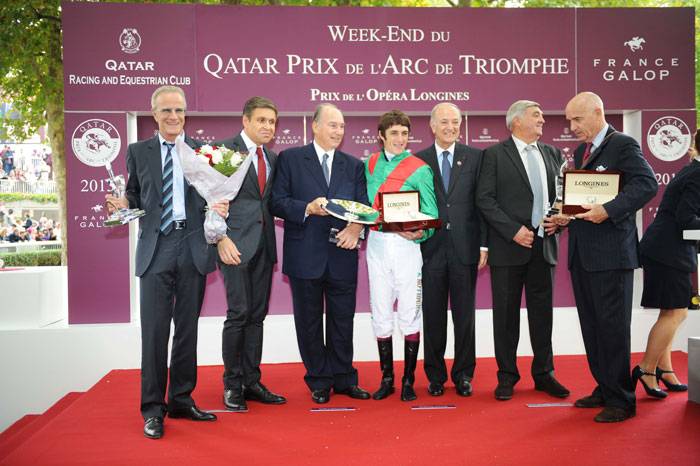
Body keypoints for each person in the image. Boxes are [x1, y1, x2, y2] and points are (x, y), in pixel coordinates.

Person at [106, 85, 229, 439]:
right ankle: (152, 409)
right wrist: (120, 203)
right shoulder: (138, 151)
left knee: (187, 330)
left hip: (192, 246)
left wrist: (220, 206)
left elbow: (217, 194)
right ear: (154, 114)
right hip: (156, 247)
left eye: (178, 110)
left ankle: (181, 400)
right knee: (155, 333)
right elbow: (133, 193)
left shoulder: (203, 153)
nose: (173, 117)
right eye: (166, 111)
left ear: (185, 113)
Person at [563, 91, 657, 422]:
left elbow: (647, 184)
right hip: (583, 254)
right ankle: (604, 387)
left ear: (598, 112)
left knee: (613, 327)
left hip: (611, 255)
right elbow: (583, 198)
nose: (572, 126)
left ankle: (622, 399)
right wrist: (567, 214)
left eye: (577, 119)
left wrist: (609, 209)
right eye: (569, 120)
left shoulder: (623, 144)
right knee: (592, 326)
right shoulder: (581, 150)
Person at [270, 103, 370, 404]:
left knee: (343, 320)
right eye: (332, 125)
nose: (338, 131)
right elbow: (276, 201)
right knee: (309, 321)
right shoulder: (290, 159)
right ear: (315, 126)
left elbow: (364, 206)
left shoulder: (353, 165)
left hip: (343, 253)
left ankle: (343, 378)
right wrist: (306, 209)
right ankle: (319, 380)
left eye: (341, 126)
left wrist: (355, 229)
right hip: (305, 255)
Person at [476, 100, 570, 402]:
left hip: (545, 247)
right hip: (508, 248)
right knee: (505, 317)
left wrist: (561, 220)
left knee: (542, 316)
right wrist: (513, 231)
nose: (543, 118)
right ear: (516, 121)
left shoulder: (554, 153)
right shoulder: (493, 155)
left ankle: (545, 374)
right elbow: (485, 200)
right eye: (536, 115)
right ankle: (507, 376)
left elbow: (565, 197)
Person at [214, 96, 286, 411]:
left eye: (272, 122)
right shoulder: (223, 151)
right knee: (239, 314)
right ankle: (232, 385)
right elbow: (207, 198)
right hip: (233, 245)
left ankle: (251, 381)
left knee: (257, 316)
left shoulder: (271, 157)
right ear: (245, 121)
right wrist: (219, 238)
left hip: (264, 246)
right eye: (261, 120)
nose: (268, 126)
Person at [365, 110, 438, 402]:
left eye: (404, 134)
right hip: (377, 245)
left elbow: (431, 213)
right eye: (393, 133)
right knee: (381, 313)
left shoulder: (420, 168)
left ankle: (408, 380)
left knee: (410, 314)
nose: (399, 139)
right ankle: (387, 379)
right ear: (381, 135)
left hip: (407, 248)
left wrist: (421, 233)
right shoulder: (369, 164)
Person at [415, 103, 487, 398]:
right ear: (432, 126)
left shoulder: (476, 157)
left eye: (455, 122)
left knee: (464, 315)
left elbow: (483, 204)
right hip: (430, 248)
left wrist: (484, 243)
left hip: (465, 248)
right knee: (432, 315)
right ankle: (435, 375)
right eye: (444, 122)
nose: (450, 127)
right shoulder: (418, 161)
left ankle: (464, 374)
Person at [633, 129, 700, 397]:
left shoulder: (693, 170)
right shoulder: (697, 174)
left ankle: (666, 369)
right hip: (667, 251)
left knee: (670, 312)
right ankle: (646, 370)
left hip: (665, 249)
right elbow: (686, 219)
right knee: (677, 312)